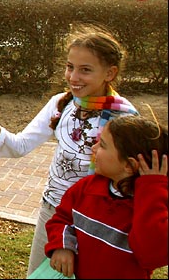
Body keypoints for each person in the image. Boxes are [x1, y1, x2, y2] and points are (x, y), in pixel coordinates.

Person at [0, 23, 138, 277]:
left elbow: (131, 177)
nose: (73, 77)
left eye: (85, 70)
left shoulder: (124, 117)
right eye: (70, 67)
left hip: (99, 221)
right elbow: (21, 145)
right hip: (54, 212)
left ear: (110, 73)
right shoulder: (61, 104)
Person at [45, 114, 168, 279]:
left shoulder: (152, 207)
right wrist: (62, 246)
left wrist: (152, 189)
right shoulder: (86, 188)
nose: (93, 148)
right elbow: (62, 219)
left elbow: (150, 255)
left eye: (102, 145)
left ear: (129, 165)